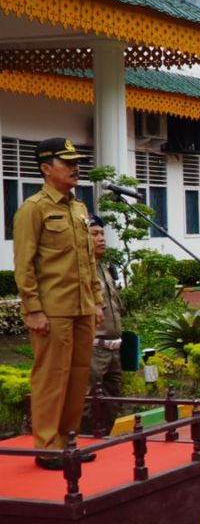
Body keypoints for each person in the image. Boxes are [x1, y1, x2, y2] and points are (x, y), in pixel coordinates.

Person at [14, 138, 104, 469]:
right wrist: (33, 309)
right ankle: (47, 447)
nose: (75, 168)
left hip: (81, 307)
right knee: (52, 376)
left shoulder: (79, 208)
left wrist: (96, 300)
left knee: (79, 375)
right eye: (67, 163)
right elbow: (24, 264)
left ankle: (68, 441)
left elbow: (88, 262)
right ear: (46, 169)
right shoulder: (33, 209)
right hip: (52, 309)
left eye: (76, 162)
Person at [86, 215, 123, 436]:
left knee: (113, 401)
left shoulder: (104, 269)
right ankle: (82, 446)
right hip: (92, 348)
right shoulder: (80, 271)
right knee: (86, 403)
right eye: (95, 234)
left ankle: (102, 442)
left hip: (114, 350)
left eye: (102, 234)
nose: (101, 239)